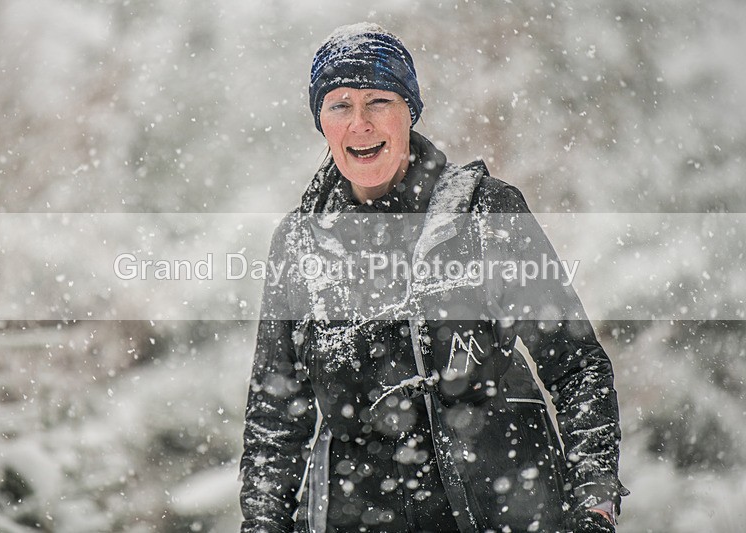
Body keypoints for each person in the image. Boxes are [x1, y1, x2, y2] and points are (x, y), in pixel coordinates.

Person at [239, 23, 626, 533]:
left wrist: (595, 504)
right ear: (321, 121)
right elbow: (274, 417)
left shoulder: (485, 213)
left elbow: (577, 368)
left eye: (378, 101)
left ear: (409, 112)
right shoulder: (301, 241)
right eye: (340, 105)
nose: (360, 124)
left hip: (506, 512)